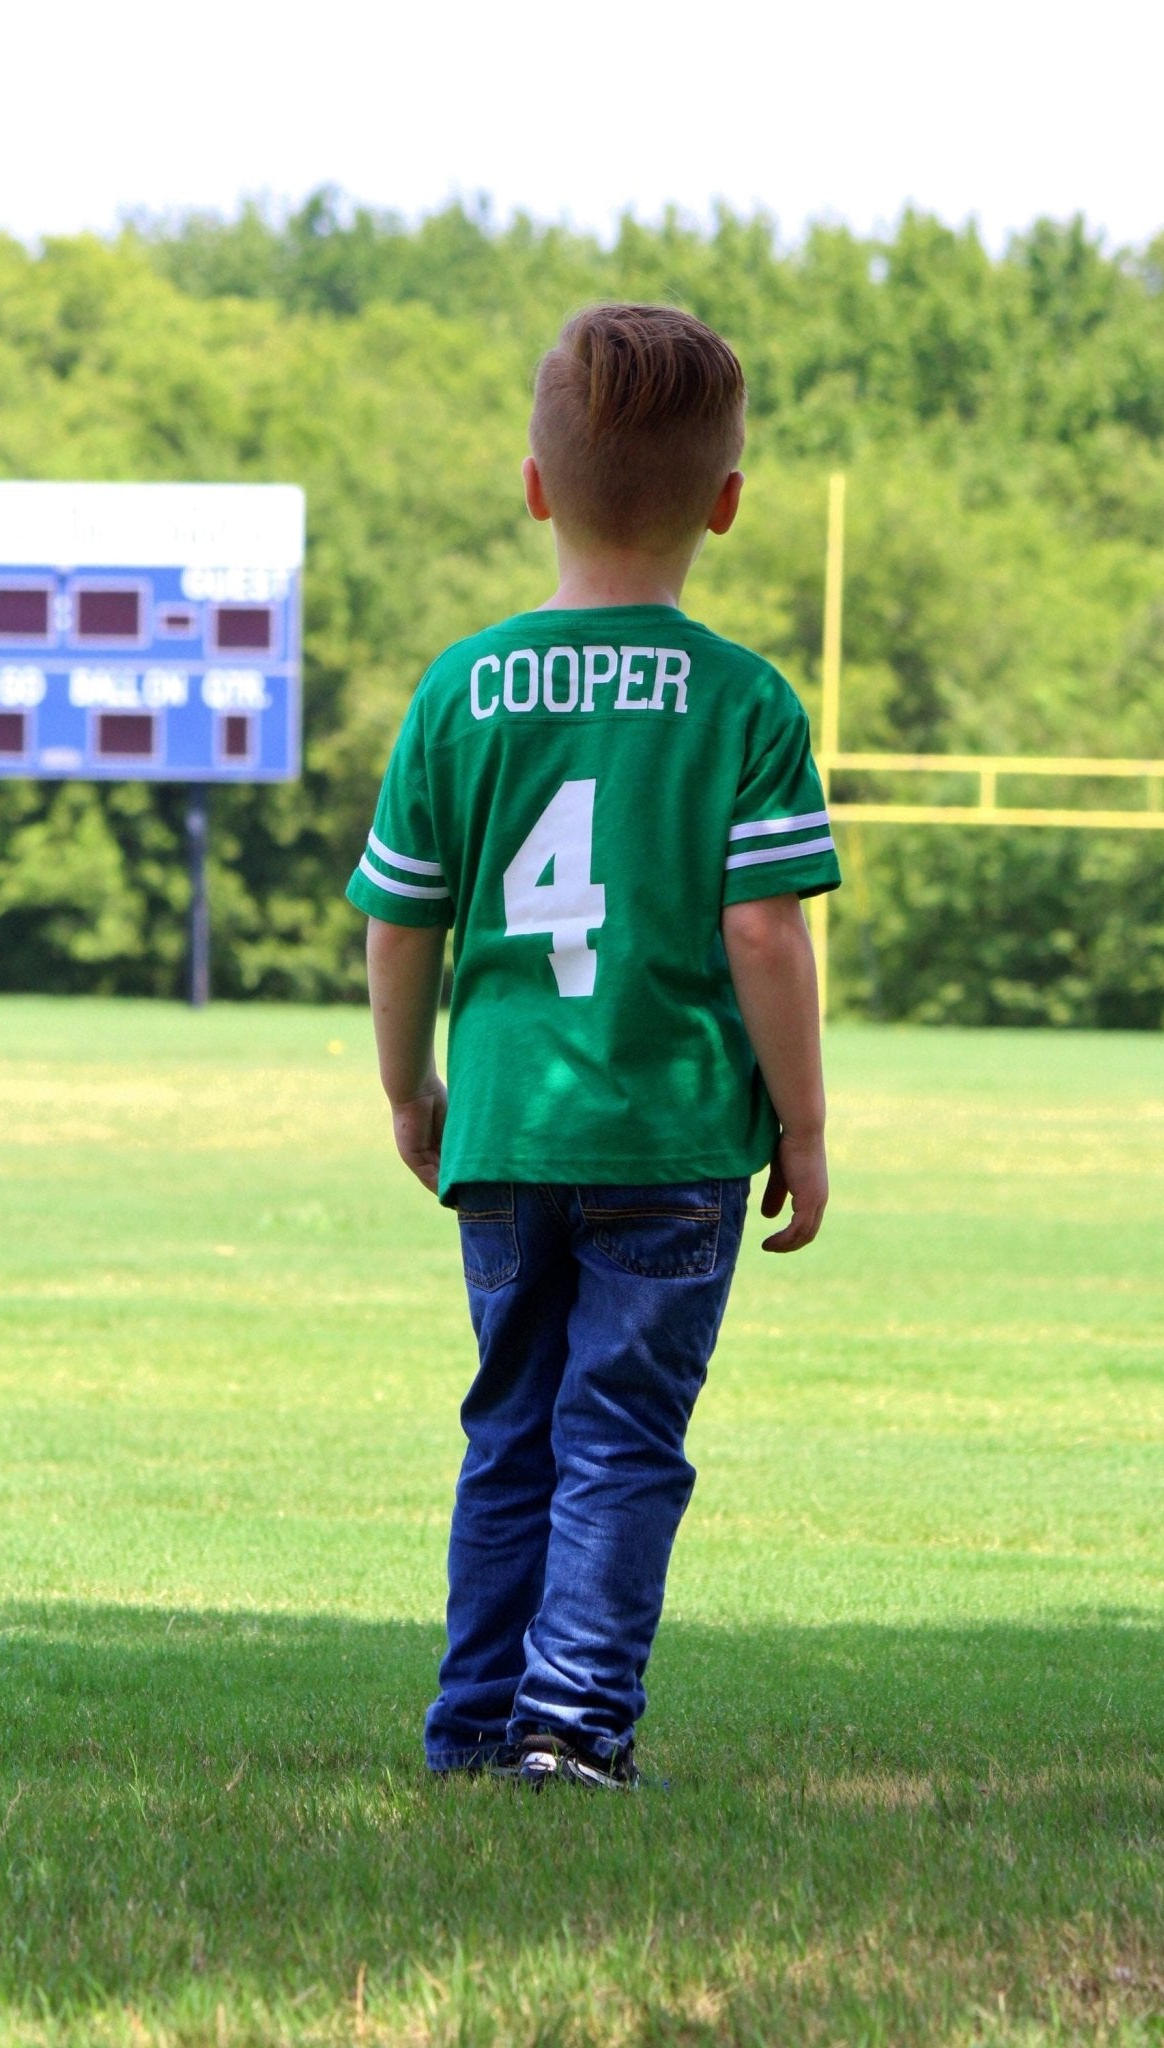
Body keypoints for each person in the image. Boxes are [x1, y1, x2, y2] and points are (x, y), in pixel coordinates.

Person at [347, 303, 841, 1790]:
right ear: (729, 503)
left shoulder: (460, 689)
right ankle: (570, 1729)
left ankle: (472, 1728)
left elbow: (400, 923)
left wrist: (405, 1087)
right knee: (619, 1437)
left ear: (535, 485)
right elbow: (762, 935)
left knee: (510, 1431)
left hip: (502, 1124)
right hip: (673, 1139)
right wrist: (804, 1130)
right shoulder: (746, 699)